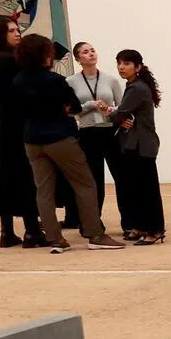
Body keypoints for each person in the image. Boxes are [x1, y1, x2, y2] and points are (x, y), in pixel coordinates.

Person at [12, 34, 125, 253]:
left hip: (32, 141)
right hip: (60, 138)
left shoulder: (18, 81)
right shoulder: (54, 81)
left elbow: (17, 111)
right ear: (44, 55)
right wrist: (62, 109)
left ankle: (55, 239)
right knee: (84, 183)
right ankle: (95, 234)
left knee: (43, 190)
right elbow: (73, 107)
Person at [0, 15, 45, 248]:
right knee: (25, 177)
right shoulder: (9, 61)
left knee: (0, 180)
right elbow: (19, 96)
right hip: (13, 127)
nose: (17, 33)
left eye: (18, 29)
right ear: (0, 34)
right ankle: (32, 231)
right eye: (11, 30)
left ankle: (7, 232)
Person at [66, 42, 130, 234]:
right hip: (87, 133)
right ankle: (93, 223)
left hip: (109, 131)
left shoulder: (110, 80)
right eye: (85, 52)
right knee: (93, 181)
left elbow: (122, 106)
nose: (91, 54)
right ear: (78, 59)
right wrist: (90, 105)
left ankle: (128, 223)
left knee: (122, 178)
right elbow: (71, 110)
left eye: (92, 50)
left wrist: (108, 109)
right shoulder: (71, 82)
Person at [110, 49, 166, 245]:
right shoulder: (133, 86)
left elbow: (120, 114)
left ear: (138, 67)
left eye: (126, 63)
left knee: (147, 190)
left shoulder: (137, 88)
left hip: (142, 146)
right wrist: (119, 115)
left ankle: (155, 230)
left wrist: (112, 113)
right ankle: (142, 227)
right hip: (136, 145)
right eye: (119, 63)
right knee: (137, 188)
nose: (121, 67)